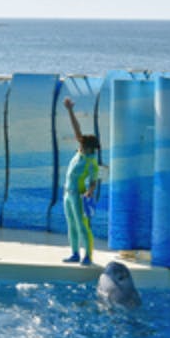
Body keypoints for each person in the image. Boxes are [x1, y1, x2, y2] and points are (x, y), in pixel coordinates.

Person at [61, 97, 101, 266]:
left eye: (83, 145)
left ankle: (88, 256)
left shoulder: (91, 161)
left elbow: (93, 181)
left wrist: (90, 191)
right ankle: (75, 253)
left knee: (82, 225)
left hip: (78, 195)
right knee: (71, 224)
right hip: (67, 194)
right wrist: (70, 110)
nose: (80, 145)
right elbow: (77, 130)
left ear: (90, 148)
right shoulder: (81, 152)